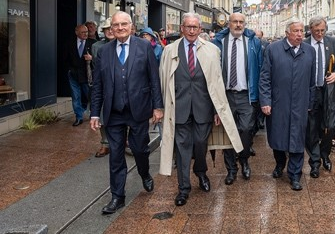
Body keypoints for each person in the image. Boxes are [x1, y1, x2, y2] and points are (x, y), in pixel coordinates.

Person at [159, 12, 242, 206]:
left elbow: (217, 83)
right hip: (178, 110)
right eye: (188, 26)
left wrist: (217, 110)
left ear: (200, 30)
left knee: (200, 145)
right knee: (182, 149)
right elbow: (162, 80)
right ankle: (183, 188)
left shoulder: (212, 50)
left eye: (195, 27)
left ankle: (201, 172)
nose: (191, 30)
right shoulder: (169, 51)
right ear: (182, 28)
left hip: (203, 109)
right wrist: (160, 107)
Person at [90, 11, 164, 214]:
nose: (120, 28)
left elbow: (154, 79)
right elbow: (97, 86)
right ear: (111, 29)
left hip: (138, 109)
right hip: (113, 112)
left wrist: (158, 107)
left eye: (124, 24)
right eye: (116, 25)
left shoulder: (144, 47)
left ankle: (145, 173)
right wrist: (95, 113)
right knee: (116, 155)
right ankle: (117, 196)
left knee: (140, 150)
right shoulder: (103, 52)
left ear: (131, 26)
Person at [259, 17, 316, 191]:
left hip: (300, 103)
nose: (300, 34)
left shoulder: (310, 51)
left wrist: (310, 102)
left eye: (301, 31)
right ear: (287, 33)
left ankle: (295, 175)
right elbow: (265, 78)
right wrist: (266, 101)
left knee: (298, 139)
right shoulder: (273, 49)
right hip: (279, 103)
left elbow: (312, 81)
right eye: (296, 31)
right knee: (278, 138)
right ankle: (279, 164)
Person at [212, 12, 263, 185]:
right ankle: (231, 169)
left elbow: (261, 68)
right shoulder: (218, 43)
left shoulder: (253, 43)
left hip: (246, 96)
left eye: (241, 22)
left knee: (247, 130)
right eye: (235, 22)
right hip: (225, 95)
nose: (238, 25)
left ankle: (244, 160)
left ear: (245, 24)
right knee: (227, 134)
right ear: (229, 23)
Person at [304, 16, 335, 178]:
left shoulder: (333, 42)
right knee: (311, 128)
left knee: (330, 126)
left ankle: (325, 155)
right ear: (311, 29)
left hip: (328, 91)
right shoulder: (304, 44)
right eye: (317, 31)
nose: (320, 34)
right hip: (311, 92)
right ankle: (314, 162)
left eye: (322, 30)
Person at [91, 18, 114, 157]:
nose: (110, 31)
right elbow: (98, 68)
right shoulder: (97, 46)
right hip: (104, 87)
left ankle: (124, 141)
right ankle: (105, 144)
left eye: (112, 28)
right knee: (102, 117)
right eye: (107, 29)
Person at [66, 24, 96, 126]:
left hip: (87, 76)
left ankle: (94, 115)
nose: (85, 34)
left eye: (86, 32)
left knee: (90, 96)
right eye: (83, 32)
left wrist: (92, 58)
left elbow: (100, 59)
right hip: (73, 75)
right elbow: (66, 58)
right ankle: (78, 117)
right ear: (77, 33)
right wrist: (69, 70)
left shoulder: (93, 43)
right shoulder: (70, 43)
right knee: (76, 97)